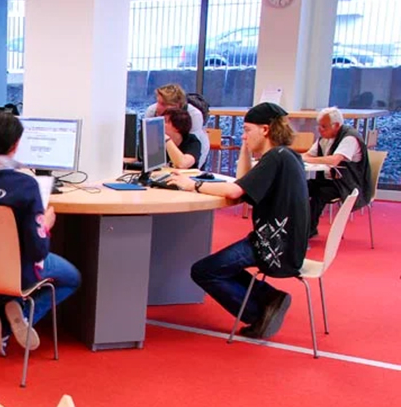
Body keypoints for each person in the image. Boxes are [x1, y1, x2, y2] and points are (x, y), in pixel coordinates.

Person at [166, 102, 309, 339]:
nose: (243, 135)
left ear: (265, 130)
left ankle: (258, 314)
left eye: (247, 130)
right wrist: (245, 148)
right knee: (218, 267)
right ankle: (269, 297)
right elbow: (242, 182)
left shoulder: (275, 158)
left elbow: (234, 192)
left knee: (204, 271)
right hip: (286, 243)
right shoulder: (286, 155)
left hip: (272, 246)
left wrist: (193, 185)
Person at [0, 113, 81, 357]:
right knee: (72, 277)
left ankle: (9, 312)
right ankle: (14, 318)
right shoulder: (25, 185)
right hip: (13, 269)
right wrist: (47, 223)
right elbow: (38, 249)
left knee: (4, 253)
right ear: (15, 145)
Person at [301, 107, 371, 238]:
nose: (319, 129)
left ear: (336, 125)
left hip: (346, 185)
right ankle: (293, 226)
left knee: (319, 195)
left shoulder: (350, 138)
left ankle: (308, 230)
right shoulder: (324, 138)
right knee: (298, 187)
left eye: (324, 126)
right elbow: (308, 155)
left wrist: (306, 158)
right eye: (319, 126)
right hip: (327, 181)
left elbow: (334, 160)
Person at [145, 84, 210, 168]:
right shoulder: (151, 111)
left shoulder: (194, 115)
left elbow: (192, 145)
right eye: (158, 102)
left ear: (177, 105)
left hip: (189, 152)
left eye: (163, 104)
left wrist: (165, 137)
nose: (158, 107)